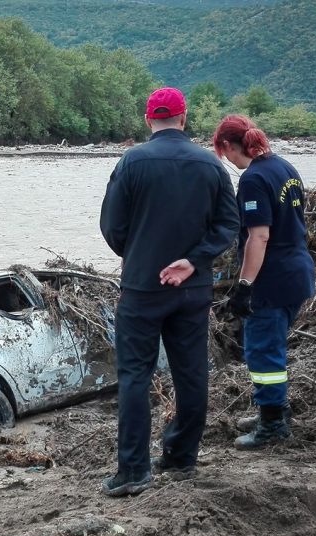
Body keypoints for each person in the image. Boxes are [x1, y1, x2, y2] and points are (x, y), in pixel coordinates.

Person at [99, 87, 240, 496]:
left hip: (143, 287)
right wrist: (194, 260)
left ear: (149, 121)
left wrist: (140, 254)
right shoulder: (210, 165)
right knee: (192, 372)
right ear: (183, 118)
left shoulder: (131, 162)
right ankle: (181, 456)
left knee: (134, 377)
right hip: (193, 288)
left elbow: (111, 226)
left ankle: (134, 470)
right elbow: (228, 226)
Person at [212, 114, 316, 449]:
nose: (225, 159)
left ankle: (273, 425)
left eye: (222, 151)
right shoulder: (284, 167)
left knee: (263, 351)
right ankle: (274, 410)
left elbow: (259, 237)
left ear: (228, 146)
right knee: (272, 347)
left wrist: (243, 286)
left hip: (273, 278)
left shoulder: (254, 180)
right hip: (298, 270)